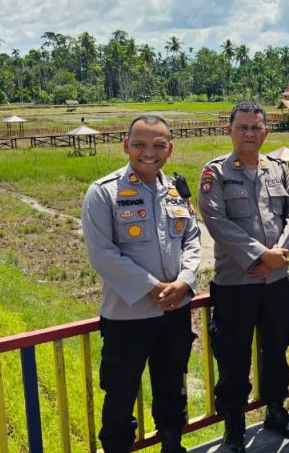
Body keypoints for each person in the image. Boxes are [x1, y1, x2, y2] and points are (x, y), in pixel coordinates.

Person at [81, 114, 200, 453]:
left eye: (158, 145)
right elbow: (102, 254)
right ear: (126, 146)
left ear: (170, 148)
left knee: (171, 384)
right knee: (120, 391)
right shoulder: (104, 193)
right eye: (140, 145)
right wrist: (153, 287)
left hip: (175, 311)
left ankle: (172, 442)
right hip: (128, 317)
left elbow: (192, 239)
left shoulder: (177, 190)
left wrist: (184, 281)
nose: (150, 152)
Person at [198, 101, 289, 452]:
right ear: (229, 130)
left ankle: (275, 409)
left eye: (256, 127)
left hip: (275, 282)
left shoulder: (279, 170)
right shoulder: (215, 174)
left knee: (276, 348)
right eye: (242, 127)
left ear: (266, 131)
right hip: (235, 284)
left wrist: (279, 257)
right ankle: (234, 427)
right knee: (233, 356)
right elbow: (217, 222)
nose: (249, 133)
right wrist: (261, 255)